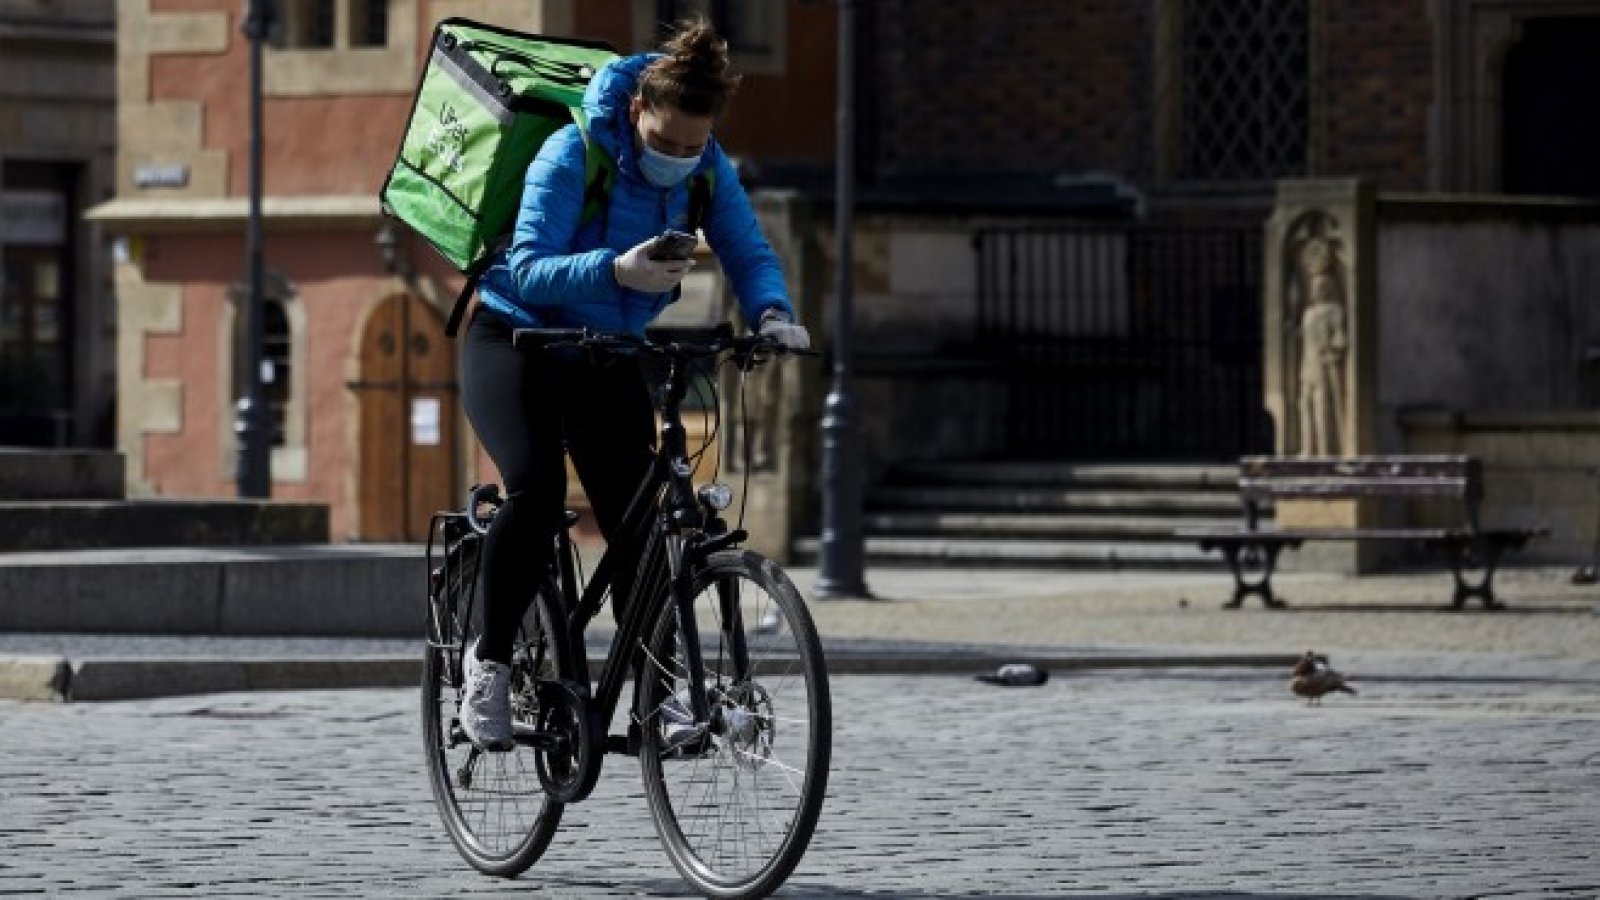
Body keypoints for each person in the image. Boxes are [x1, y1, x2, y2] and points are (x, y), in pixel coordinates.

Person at [456, 20, 809, 751]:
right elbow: (528, 268)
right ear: (637, 110)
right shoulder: (572, 151)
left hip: (607, 351)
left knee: (641, 522)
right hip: (516, 339)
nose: (678, 157)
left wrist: (773, 313)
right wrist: (615, 269)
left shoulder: (707, 169)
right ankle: (488, 663)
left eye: (692, 146)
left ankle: (662, 690)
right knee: (535, 491)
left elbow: (746, 248)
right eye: (665, 141)